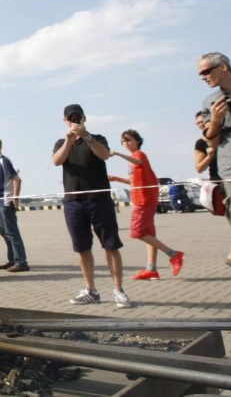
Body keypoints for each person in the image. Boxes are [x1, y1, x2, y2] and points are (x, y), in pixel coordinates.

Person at [52, 104, 131, 308]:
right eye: (70, 118)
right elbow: (56, 161)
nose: (74, 121)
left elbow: (104, 155)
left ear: (84, 119)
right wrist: (69, 140)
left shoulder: (97, 138)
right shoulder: (62, 142)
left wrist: (86, 136)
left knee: (111, 245)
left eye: (77, 118)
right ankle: (90, 289)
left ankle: (119, 290)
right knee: (82, 248)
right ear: (65, 121)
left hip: (99, 199)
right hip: (74, 202)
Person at [108, 130, 184, 280]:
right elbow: (134, 181)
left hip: (143, 201)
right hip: (141, 199)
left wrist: (117, 153)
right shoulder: (132, 160)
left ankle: (174, 254)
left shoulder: (139, 155)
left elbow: (139, 161)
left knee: (137, 232)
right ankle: (151, 269)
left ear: (137, 141)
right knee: (149, 234)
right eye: (123, 141)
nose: (125, 143)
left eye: (128, 140)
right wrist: (117, 179)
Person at [198, 52, 231, 262]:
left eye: (205, 71)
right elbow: (212, 142)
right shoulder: (210, 102)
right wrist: (216, 119)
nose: (202, 77)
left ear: (223, 67)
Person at [195, 111, 231, 273]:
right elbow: (199, 168)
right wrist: (209, 156)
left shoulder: (228, 137)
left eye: (204, 120)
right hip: (224, 184)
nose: (202, 124)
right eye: (199, 123)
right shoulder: (201, 143)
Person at [0, 136, 29, 273]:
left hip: (5, 202)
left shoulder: (4, 161)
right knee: (4, 232)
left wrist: (15, 199)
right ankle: (12, 259)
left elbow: (17, 179)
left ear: (0, 147)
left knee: (12, 233)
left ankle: (21, 262)